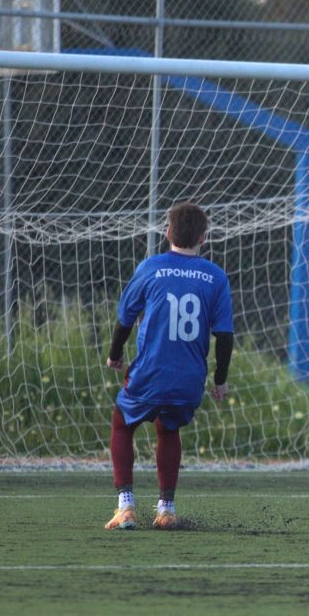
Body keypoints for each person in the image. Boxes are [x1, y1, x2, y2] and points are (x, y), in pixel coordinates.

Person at [103, 202, 233, 531]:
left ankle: (126, 507)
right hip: (189, 381)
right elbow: (224, 336)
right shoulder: (216, 277)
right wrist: (220, 380)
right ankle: (166, 510)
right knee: (168, 426)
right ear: (203, 238)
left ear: (167, 233)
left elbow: (125, 318)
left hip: (151, 374)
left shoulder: (151, 267)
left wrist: (115, 353)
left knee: (122, 423)